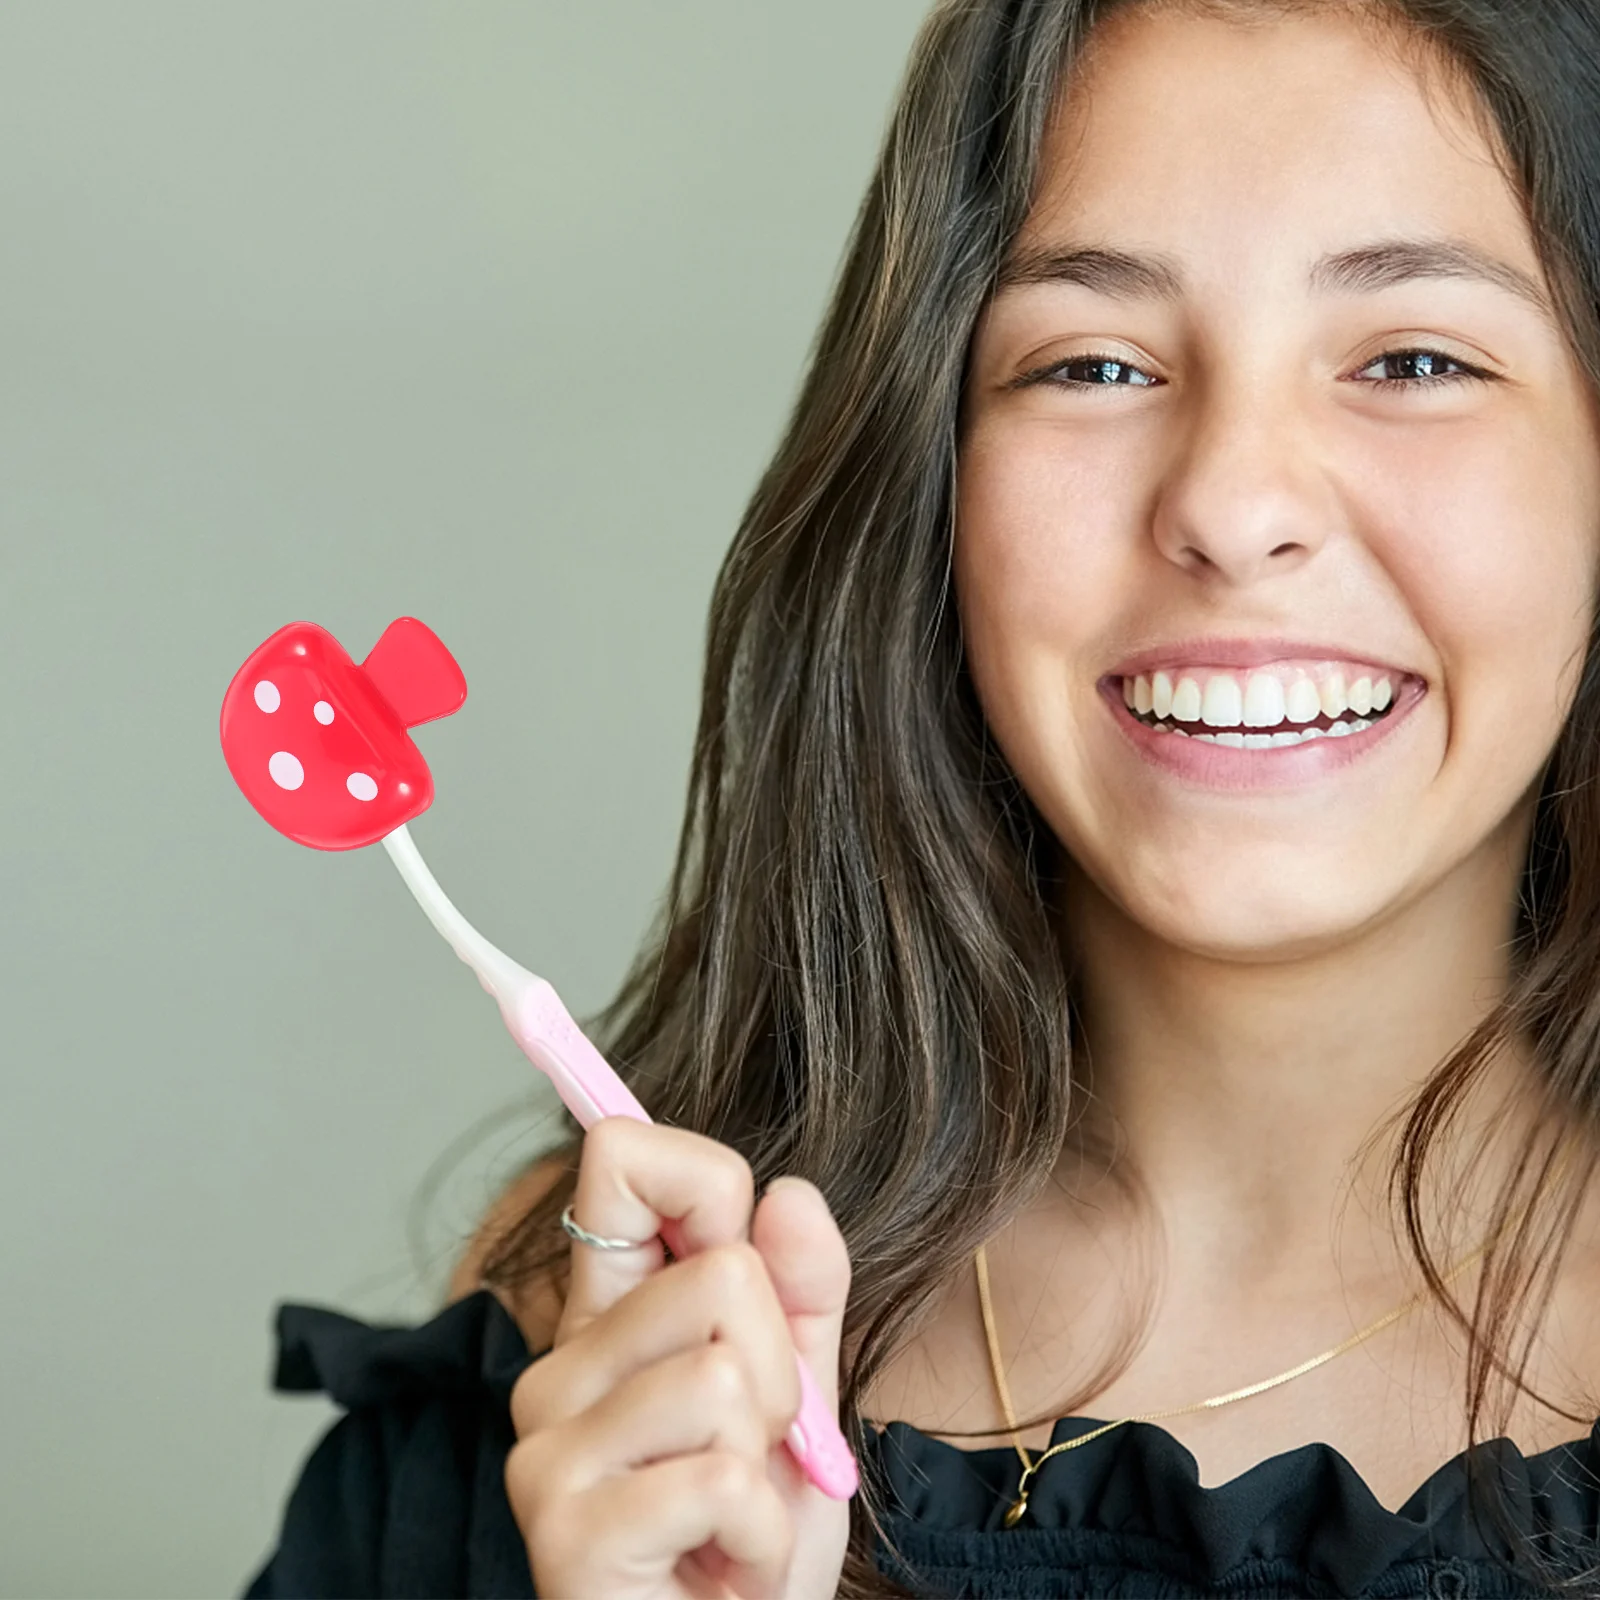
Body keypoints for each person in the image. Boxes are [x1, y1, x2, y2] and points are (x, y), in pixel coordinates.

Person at [243, 0, 1600, 1594]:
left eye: (1416, 357)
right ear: (932, 481)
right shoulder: (584, 1380)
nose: (1234, 506)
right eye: (1091, 363)